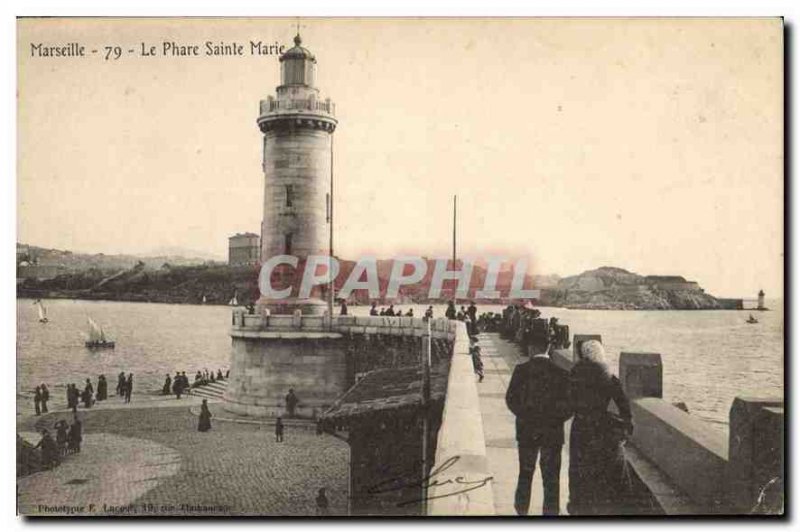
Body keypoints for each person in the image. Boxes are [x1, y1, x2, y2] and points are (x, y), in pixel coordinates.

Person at [568, 340, 633, 516]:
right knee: (602, 469)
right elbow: (624, 406)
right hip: (601, 427)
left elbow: (567, 402)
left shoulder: (575, 373)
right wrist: (625, 425)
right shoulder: (609, 375)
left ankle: (577, 507)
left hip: (580, 427)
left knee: (578, 469)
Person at [505, 344, 572, 516]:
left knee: (525, 474)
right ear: (549, 347)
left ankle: (521, 511)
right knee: (551, 479)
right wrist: (554, 420)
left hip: (527, 431)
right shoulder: (562, 373)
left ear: (531, 348)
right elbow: (570, 406)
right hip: (552, 433)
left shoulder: (521, 370)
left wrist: (525, 416)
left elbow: (511, 399)